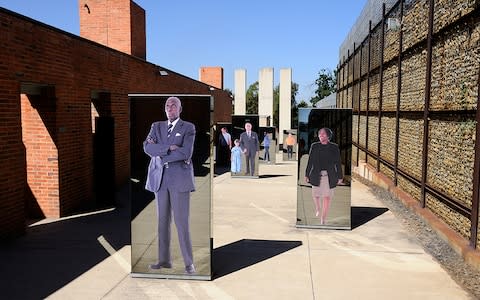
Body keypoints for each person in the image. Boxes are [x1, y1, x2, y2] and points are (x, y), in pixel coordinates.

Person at [143, 96, 196, 275]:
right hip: (160, 179)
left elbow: (186, 152)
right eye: (167, 105)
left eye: (174, 105)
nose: (170, 107)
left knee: (182, 222)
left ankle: (189, 263)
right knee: (162, 222)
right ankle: (164, 260)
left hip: (179, 180)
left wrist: (159, 150)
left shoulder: (188, 127)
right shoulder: (156, 126)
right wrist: (168, 148)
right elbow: (147, 148)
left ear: (180, 109)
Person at [304, 128, 343, 225]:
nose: (321, 135)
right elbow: (310, 161)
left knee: (327, 198)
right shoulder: (315, 146)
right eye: (320, 134)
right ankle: (317, 207)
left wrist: (340, 176)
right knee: (315, 195)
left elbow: (338, 162)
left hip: (329, 176)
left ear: (328, 136)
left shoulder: (334, 147)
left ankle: (323, 218)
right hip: (316, 174)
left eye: (323, 134)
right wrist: (306, 174)